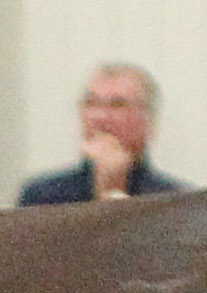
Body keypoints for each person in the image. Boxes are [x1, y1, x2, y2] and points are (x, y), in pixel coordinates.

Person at [13, 62, 180, 206]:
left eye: (117, 105)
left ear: (148, 120)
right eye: (91, 104)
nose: (100, 117)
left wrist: (113, 189)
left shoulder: (175, 201)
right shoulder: (43, 197)